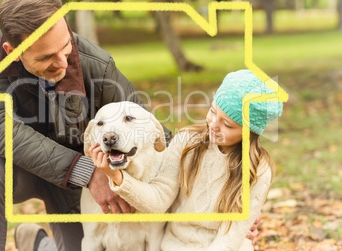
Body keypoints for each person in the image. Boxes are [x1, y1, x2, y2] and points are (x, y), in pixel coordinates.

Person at [0, 0, 171, 251]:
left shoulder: (99, 65)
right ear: (12, 51)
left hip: (73, 183)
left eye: (65, 47)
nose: (62, 62)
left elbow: (145, 126)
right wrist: (86, 172)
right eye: (46, 57)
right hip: (26, 169)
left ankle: (38, 245)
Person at [90, 69, 283, 250]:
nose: (213, 125)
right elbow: (159, 200)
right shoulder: (187, 142)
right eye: (213, 111)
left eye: (227, 124)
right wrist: (116, 177)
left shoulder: (258, 170)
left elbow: (230, 238)